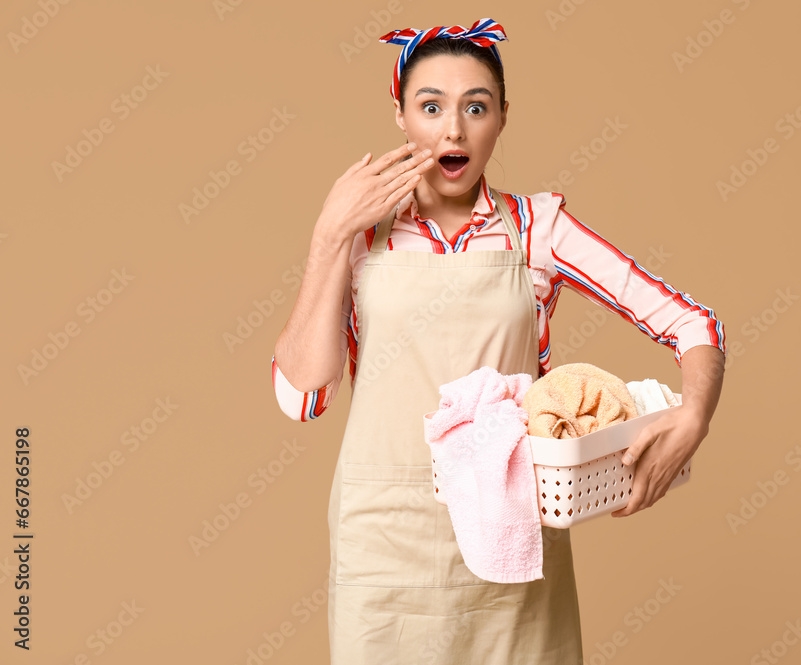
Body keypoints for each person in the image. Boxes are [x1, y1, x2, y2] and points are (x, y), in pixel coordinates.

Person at [270, 17, 726, 665]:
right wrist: (328, 236)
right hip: (384, 548)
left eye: (474, 107)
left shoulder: (539, 228)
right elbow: (302, 397)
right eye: (431, 107)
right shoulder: (361, 237)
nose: (453, 130)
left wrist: (694, 415)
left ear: (502, 118)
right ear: (400, 115)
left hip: (513, 543)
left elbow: (694, 324)